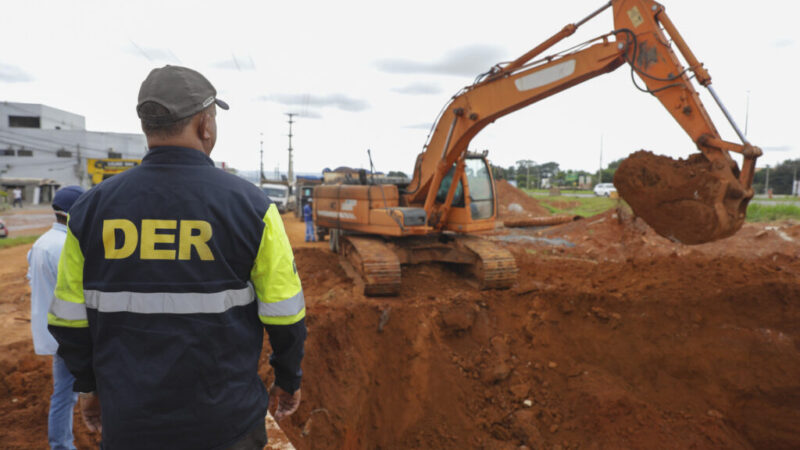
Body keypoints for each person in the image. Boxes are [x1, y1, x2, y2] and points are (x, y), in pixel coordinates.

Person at [48, 65, 307, 450]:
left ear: (147, 128)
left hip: (130, 423)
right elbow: (286, 316)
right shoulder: (252, 207)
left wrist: (88, 388)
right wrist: (288, 380)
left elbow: (69, 321)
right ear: (205, 125)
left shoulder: (90, 210)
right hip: (227, 425)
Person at [27, 185, 85, 450]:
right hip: (69, 330)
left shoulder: (41, 243)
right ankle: (62, 445)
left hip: (53, 330)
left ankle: (61, 444)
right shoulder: (65, 245)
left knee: (63, 394)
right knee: (67, 396)